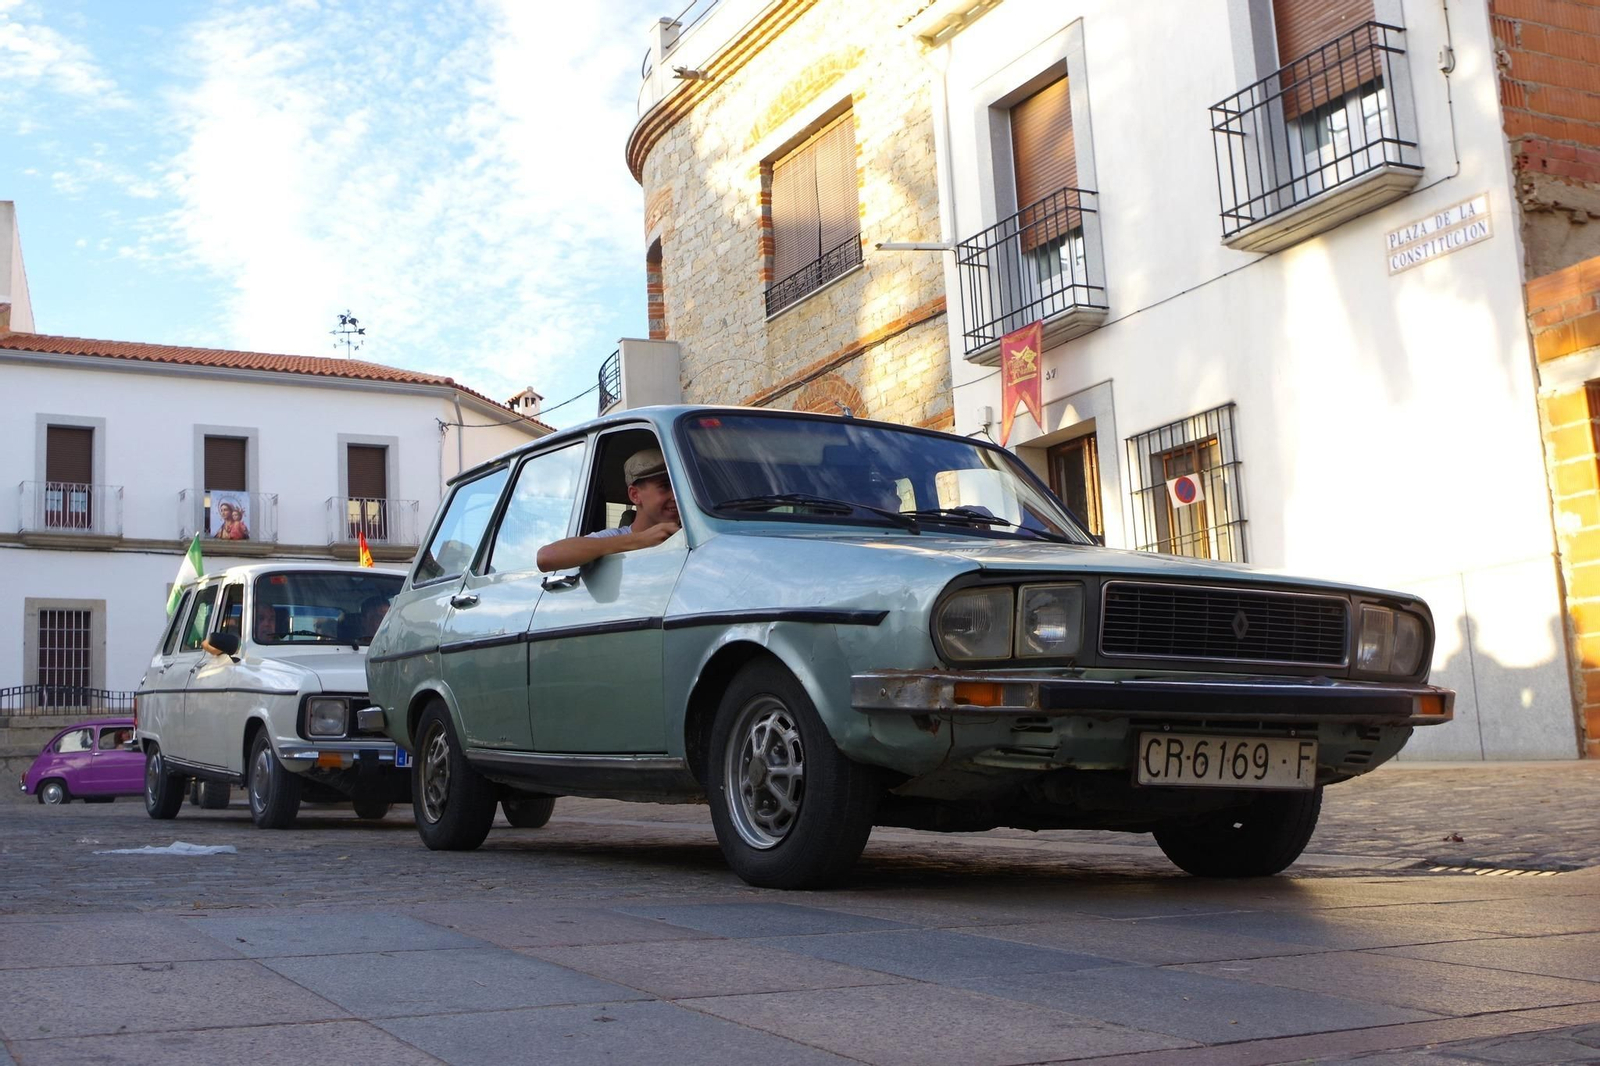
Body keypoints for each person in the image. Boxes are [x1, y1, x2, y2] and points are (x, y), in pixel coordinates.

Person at [536, 447, 680, 572]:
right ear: (635, 495)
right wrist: (641, 540)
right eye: (665, 486)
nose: (676, 495)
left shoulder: (690, 533)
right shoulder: (616, 537)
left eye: (678, 486)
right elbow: (546, 557)